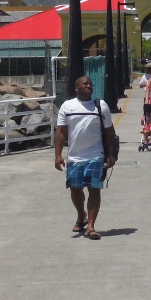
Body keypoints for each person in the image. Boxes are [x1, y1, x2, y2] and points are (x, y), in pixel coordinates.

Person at [54, 75, 117, 239]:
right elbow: (61, 132)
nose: (89, 86)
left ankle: (90, 226)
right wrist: (58, 155)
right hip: (74, 156)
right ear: (76, 88)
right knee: (75, 189)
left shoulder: (100, 106)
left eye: (90, 84)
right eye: (85, 84)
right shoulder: (67, 106)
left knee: (94, 189)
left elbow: (109, 132)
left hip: (96, 154)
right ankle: (81, 214)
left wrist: (110, 154)